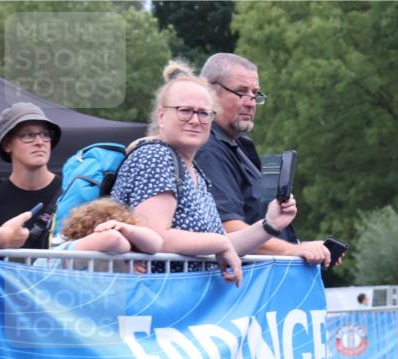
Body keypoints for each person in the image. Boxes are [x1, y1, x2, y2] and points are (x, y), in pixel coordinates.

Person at [111, 62, 297, 287]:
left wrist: (270, 224)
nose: (195, 120)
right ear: (161, 116)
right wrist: (219, 243)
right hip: (156, 302)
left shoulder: (193, 169)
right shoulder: (156, 156)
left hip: (182, 305)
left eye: (204, 113)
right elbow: (155, 237)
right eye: (185, 110)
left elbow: (223, 244)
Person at [196, 53, 329, 266]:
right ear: (209, 91)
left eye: (255, 94)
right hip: (244, 285)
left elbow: (261, 220)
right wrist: (293, 250)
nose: (251, 103)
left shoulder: (240, 145)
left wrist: (304, 247)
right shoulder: (208, 148)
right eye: (241, 92)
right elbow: (228, 229)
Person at [0, 103, 63, 249]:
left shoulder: (70, 191)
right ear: (7, 145)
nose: (40, 142)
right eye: (28, 135)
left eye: (45, 134)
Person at [34, 199, 162, 269]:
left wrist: (126, 228)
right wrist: (128, 261)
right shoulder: (71, 250)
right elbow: (114, 239)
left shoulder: (122, 249)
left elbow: (156, 244)